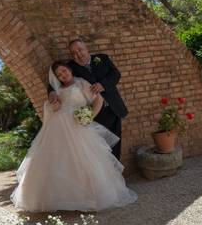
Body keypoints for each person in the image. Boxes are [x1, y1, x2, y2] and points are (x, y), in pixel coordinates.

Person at [12, 61, 137, 213]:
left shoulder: (82, 83)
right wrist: (53, 105)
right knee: (57, 161)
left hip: (77, 127)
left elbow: (98, 100)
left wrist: (90, 116)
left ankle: (87, 197)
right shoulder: (57, 89)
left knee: (84, 160)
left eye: (64, 71)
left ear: (70, 70)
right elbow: (54, 108)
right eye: (59, 74)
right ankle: (59, 198)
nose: (63, 75)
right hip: (57, 128)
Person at [49, 39, 127, 159]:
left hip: (113, 108)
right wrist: (52, 92)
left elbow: (116, 74)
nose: (78, 54)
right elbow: (55, 80)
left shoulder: (103, 58)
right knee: (101, 148)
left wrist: (103, 85)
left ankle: (116, 175)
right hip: (95, 112)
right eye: (74, 53)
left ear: (86, 48)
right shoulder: (71, 66)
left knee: (116, 143)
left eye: (80, 50)